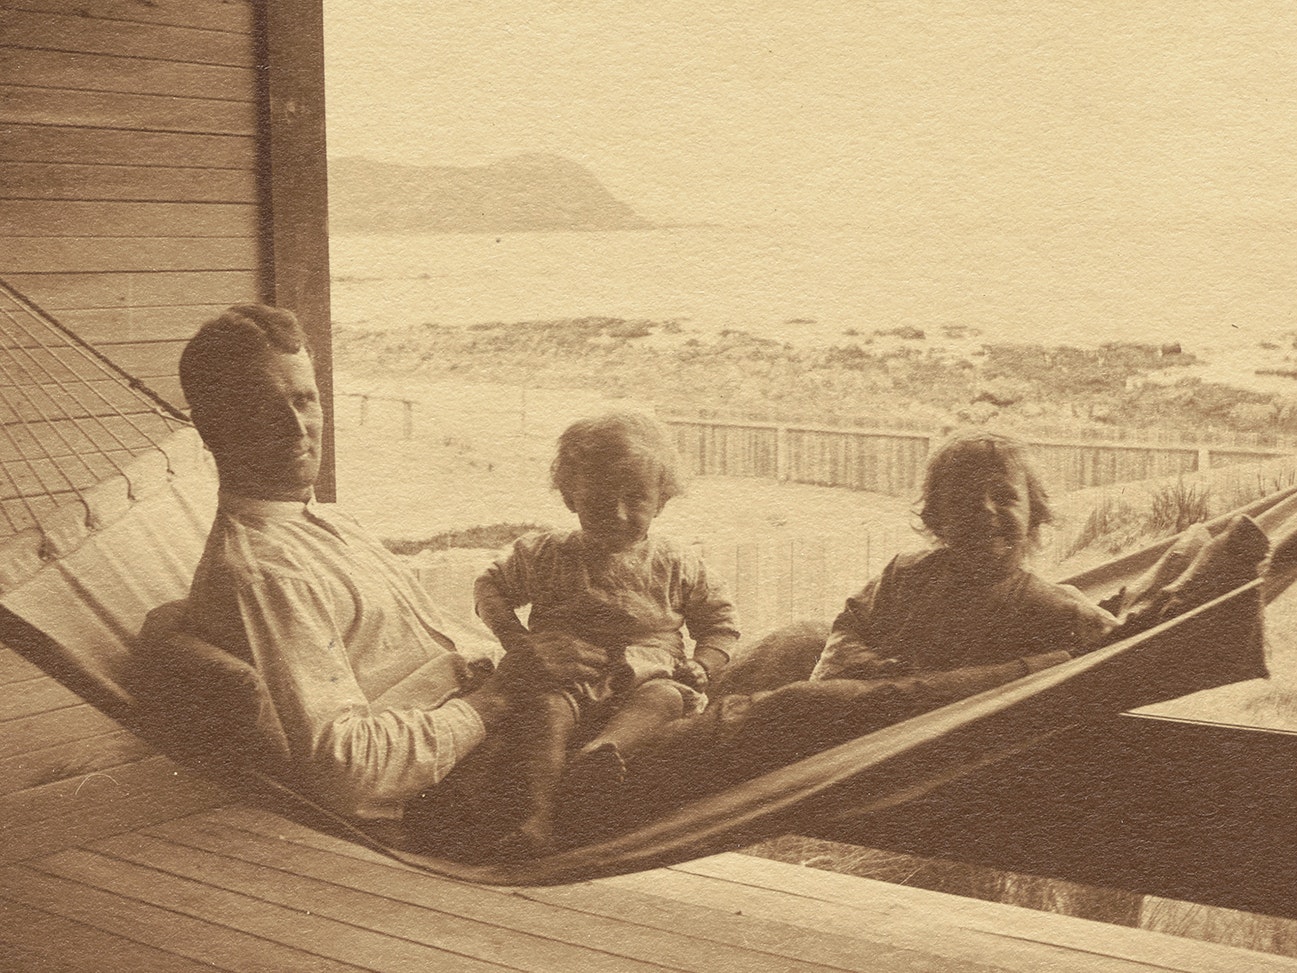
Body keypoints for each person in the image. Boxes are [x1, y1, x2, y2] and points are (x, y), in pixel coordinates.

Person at [174, 304, 604, 822]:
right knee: (722, 731)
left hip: (520, 726)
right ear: (211, 429)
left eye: (304, 399)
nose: (297, 428)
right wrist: (501, 694)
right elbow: (347, 771)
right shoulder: (265, 573)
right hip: (483, 781)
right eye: (262, 409)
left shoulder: (330, 523)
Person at [474, 412, 740, 853]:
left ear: (662, 500)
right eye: (599, 499)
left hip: (647, 681)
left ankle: (601, 752)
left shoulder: (677, 563)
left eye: (635, 499)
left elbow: (720, 626)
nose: (617, 514)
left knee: (666, 698)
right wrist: (518, 643)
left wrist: (700, 664)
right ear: (569, 497)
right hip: (566, 683)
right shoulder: (546, 554)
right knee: (545, 711)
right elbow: (490, 587)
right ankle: (536, 819)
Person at [811, 430, 1116, 683]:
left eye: (1003, 496)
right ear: (937, 517)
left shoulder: (1054, 608)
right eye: (964, 499)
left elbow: (1116, 646)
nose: (985, 509)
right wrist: (890, 676)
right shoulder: (903, 574)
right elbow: (846, 635)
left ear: (1034, 513)